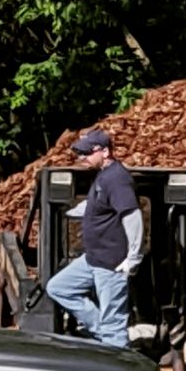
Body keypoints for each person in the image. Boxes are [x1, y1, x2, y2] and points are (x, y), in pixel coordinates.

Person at [45, 128, 144, 348]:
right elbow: (94, 206)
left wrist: (133, 257)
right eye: (80, 153)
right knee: (58, 288)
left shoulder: (117, 179)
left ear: (105, 152)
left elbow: (132, 216)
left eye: (87, 153)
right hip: (92, 259)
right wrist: (67, 212)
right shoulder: (102, 176)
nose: (82, 158)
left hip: (111, 264)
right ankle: (102, 331)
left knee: (114, 323)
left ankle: (119, 363)